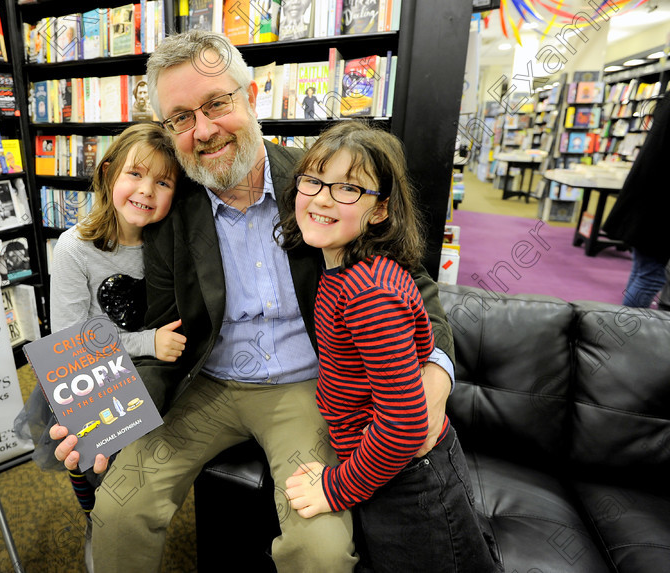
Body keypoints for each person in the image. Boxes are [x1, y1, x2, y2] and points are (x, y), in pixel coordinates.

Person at [51, 31, 457, 573]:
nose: (204, 129)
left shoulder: (317, 183)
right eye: (181, 118)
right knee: (119, 511)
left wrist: (437, 371)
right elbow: (159, 332)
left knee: (320, 550)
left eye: (217, 102)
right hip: (207, 385)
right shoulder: (173, 208)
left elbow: (415, 285)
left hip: (308, 388)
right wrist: (108, 416)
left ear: (252, 96)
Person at [279, 121, 501, 572]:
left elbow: (404, 426)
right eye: (314, 180)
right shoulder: (340, 270)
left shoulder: (369, 292)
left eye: (349, 188)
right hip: (380, 469)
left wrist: (335, 488)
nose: (322, 197)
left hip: (410, 482)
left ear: (380, 211)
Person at [14, 123, 186, 522]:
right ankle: (94, 519)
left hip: (147, 368)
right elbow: (69, 341)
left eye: (163, 182)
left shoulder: (167, 245)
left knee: (135, 469)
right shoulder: (75, 248)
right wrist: (147, 343)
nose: (146, 190)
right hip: (87, 371)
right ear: (108, 173)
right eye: (135, 174)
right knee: (92, 459)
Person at [603, 95, 670, 308]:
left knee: (642, 269)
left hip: (647, 197)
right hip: (659, 205)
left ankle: (620, 324)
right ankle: (624, 332)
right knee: (651, 276)